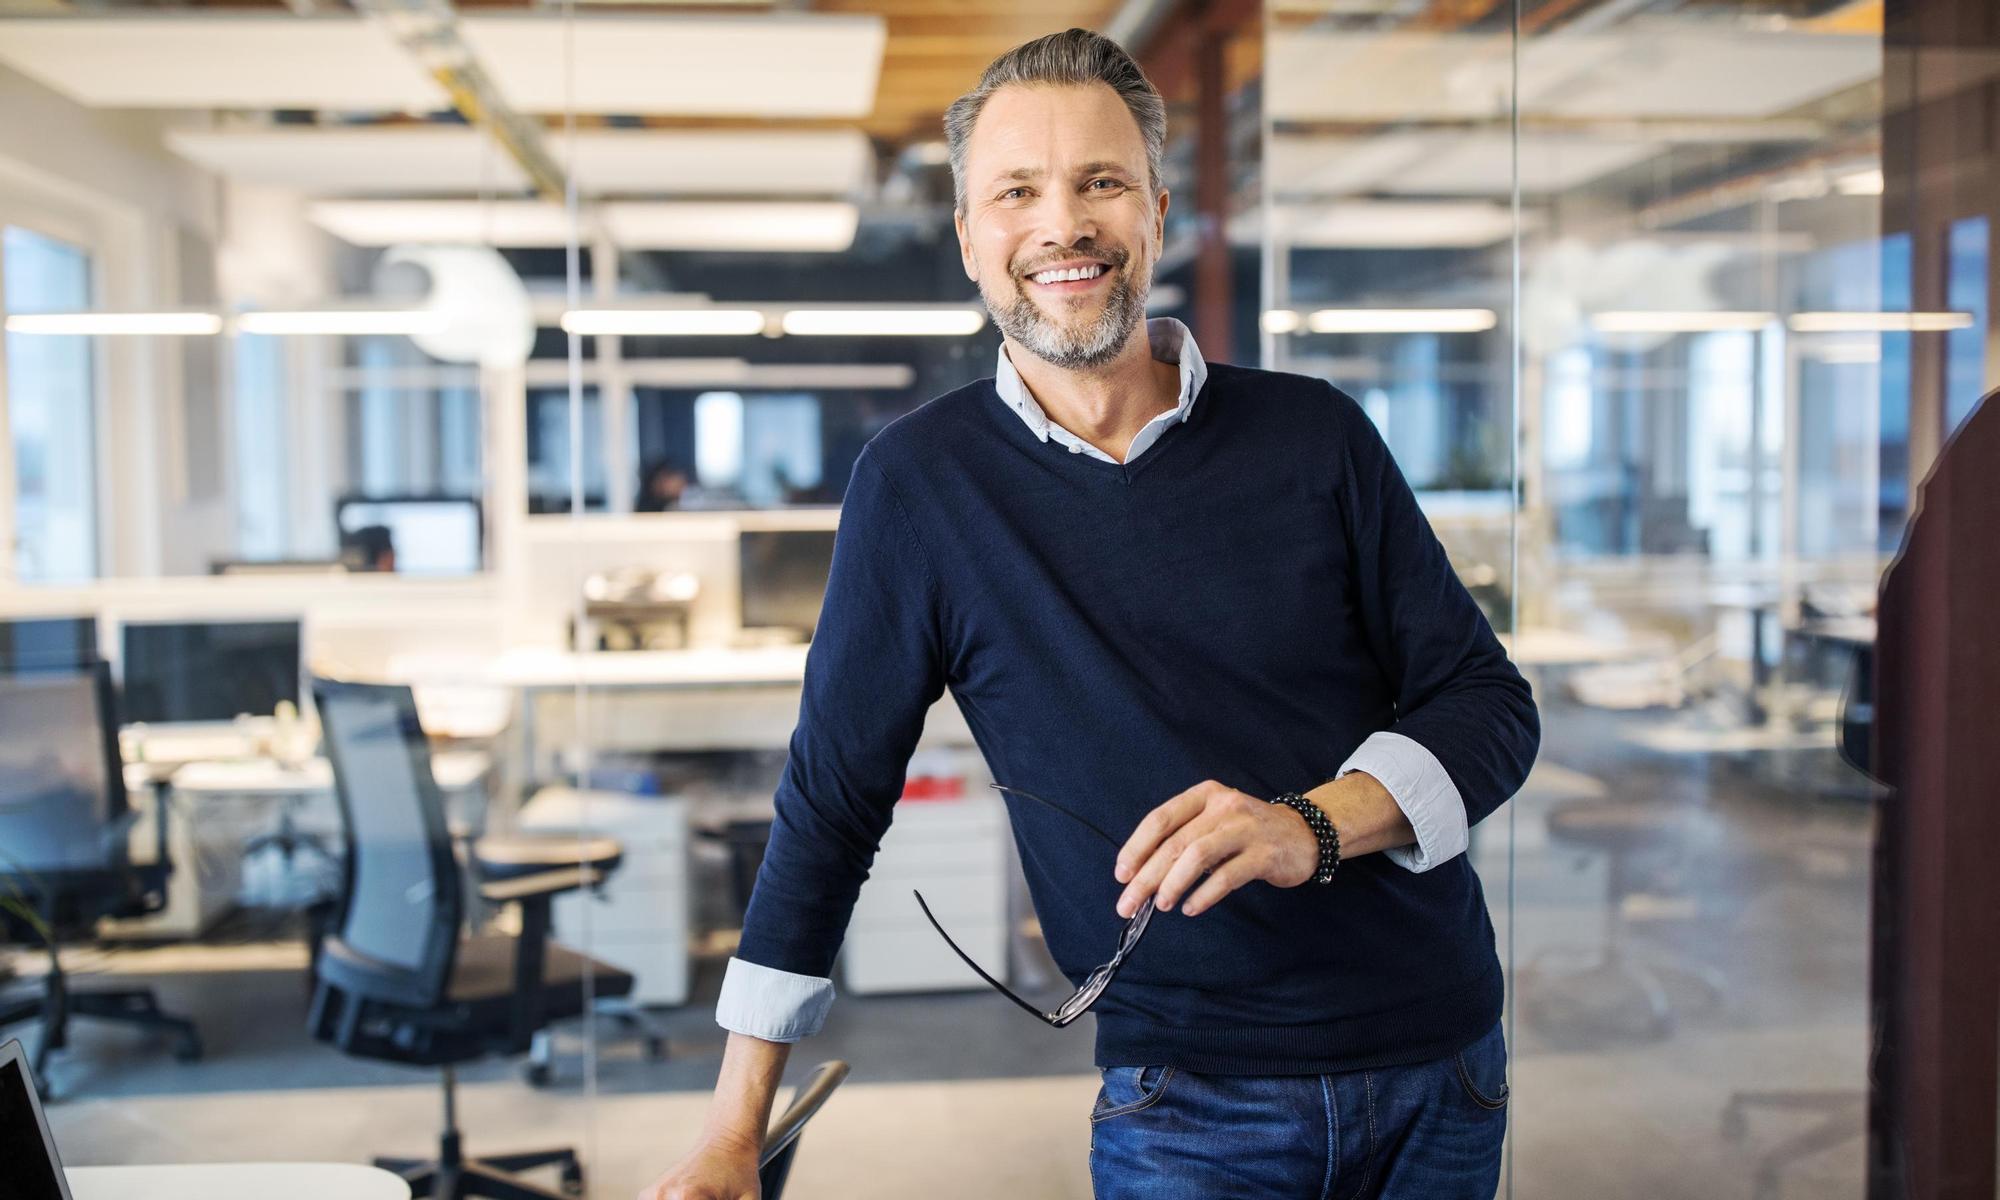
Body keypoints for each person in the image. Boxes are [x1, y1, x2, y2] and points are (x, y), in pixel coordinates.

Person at [639, 27, 1538, 1200]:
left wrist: (1303, 826)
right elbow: (832, 800)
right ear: (970, 237)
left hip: (1439, 1061)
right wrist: (729, 1129)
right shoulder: (921, 484)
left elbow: (1487, 707)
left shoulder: (1313, 434)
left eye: (1099, 182)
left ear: (1156, 212)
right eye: (1016, 191)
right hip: (1189, 1100)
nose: (1061, 224)